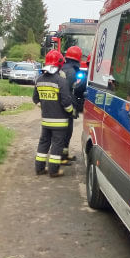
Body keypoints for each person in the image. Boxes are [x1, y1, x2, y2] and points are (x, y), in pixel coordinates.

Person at [33, 50, 76, 178]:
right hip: (60, 122)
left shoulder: (39, 80)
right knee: (57, 146)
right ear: (60, 64)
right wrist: (71, 112)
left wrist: (46, 106)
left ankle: (39, 169)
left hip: (46, 120)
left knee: (43, 143)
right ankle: (53, 171)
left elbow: (35, 99)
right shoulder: (61, 81)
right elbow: (66, 102)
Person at [60, 46, 82, 164]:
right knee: (66, 131)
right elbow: (67, 91)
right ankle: (62, 157)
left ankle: (64, 155)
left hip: (60, 105)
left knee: (65, 131)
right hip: (66, 105)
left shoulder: (63, 68)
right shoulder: (72, 71)